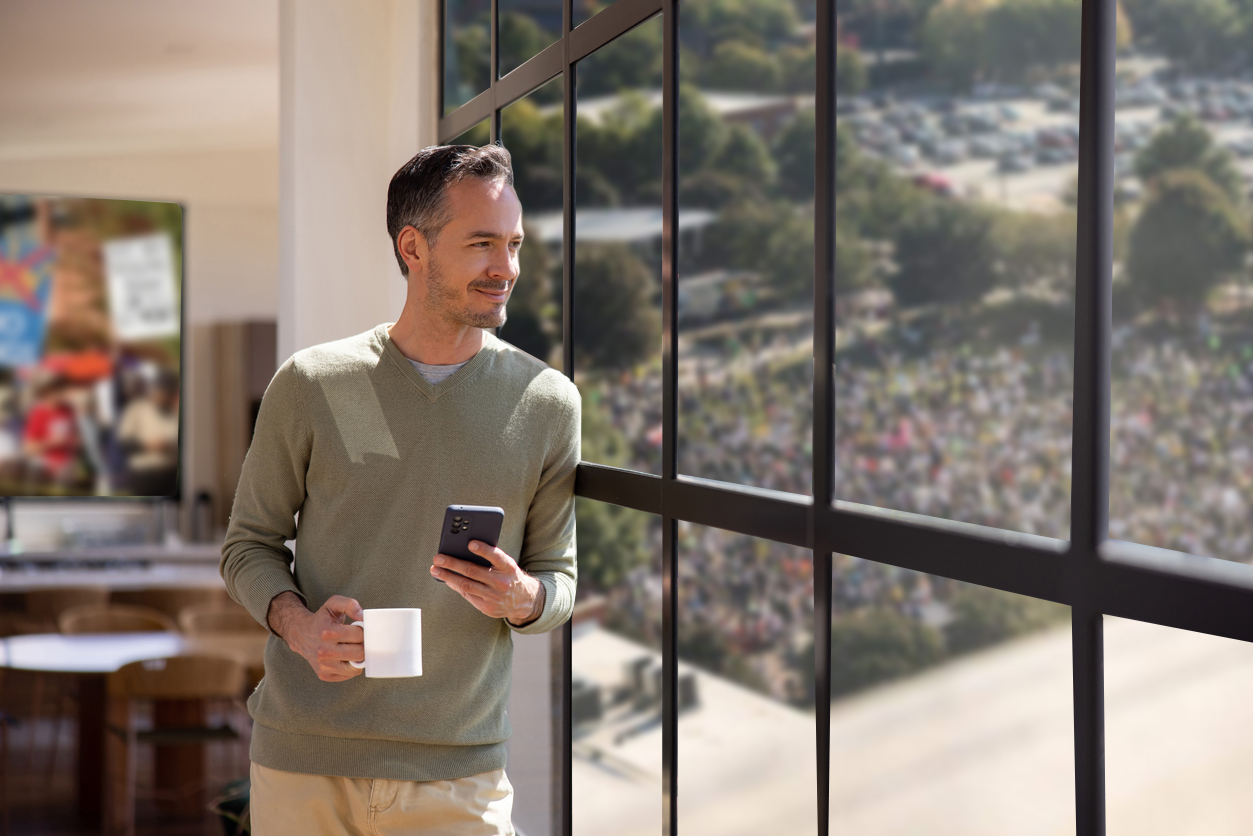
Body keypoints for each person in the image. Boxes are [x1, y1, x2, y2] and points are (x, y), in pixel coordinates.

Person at [220, 143, 580, 836]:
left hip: (459, 774)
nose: (505, 268)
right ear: (412, 247)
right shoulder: (315, 383)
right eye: (481, 244)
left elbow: (557, 581)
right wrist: (299, 628)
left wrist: (523, 598)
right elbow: (249, 546)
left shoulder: (546, 402)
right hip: (305, 761)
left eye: (513, 244)